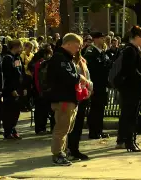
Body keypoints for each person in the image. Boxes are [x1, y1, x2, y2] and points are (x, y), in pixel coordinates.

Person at [48, 33, 89, 166]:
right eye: (77, 46)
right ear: (68, 44)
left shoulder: (66, 58)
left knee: (67, 128)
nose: (78, 49)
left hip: (69, 98)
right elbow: (66, 76)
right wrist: (79, 78)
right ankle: (57, 154)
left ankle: (63, 152)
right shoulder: (59, 58)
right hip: (63, 99)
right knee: (61, 128)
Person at [116, 25, 141, 151]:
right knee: (130, 116)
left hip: (133, 88)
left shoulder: (135, 50)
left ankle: (130, 141)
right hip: (130, 89)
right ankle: (129, 142)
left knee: (131, 115)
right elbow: (131, 71)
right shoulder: (130, 50)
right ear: (136, 37)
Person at [85, 32, 112, 139]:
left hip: (103, 84)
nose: (103, 40)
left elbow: (108, 64)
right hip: (96, 84)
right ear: (95, 39)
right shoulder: (91, 52)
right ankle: (93, 132)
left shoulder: (102, 52)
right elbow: (93, 70)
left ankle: (99, 131)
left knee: (100, 108)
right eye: (101, 38)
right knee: (95, 109)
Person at [67, 50, 93, 161]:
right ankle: (69, 149)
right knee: (72, 125)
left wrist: (90, 87)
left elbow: (88, 77)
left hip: (84, 96)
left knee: (78, 125)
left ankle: (75, 149)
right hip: (74, 96)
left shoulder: (83, 62)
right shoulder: (70, 62)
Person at [2, 39, 27, 139]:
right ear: (15, 47)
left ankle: (12, 128)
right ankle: (8, 131)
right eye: (20, 47)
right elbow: (8, 76)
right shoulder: (7, 58)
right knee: (9, 111)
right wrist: (12, 89)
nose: (21, 49)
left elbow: (20, 73)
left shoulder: (17, 58)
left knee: (16, 111)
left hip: (18, 88)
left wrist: (24, 87)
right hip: (11, 90)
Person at [29, 44, 55, 135]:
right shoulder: (40, 64)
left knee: (43, 110)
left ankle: (41, 128)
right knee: (41, 110)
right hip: (41, 91)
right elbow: (37, 79)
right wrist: (40, 90)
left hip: (42, 91)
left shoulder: (40, 63)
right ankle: (40, 128)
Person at [20, 41, 34, 111]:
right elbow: (21, 65)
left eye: (32, 48)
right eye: (29, 47)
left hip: (30, 75)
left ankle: (28, 104)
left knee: (30, 91)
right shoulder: (22, 55)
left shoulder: (32, 55)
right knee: (24, 91)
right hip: (25, 75)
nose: (30, 49)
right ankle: (23, 105)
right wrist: (27, 66)